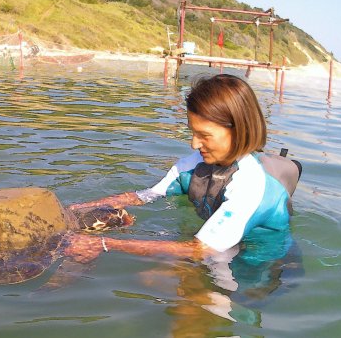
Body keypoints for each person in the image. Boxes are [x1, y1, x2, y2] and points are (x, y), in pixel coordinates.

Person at [66, 73, 302, 265]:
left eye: (204, 135)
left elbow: (200, 250)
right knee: (155, 281)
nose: (194, 144)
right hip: (215, 246)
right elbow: (143, 196)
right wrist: (76, 209)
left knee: (181, 298)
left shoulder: (251, 185)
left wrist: (105, 244)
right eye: (192, 132)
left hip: (258, 264)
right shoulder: (193, 165)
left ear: (239, 130)